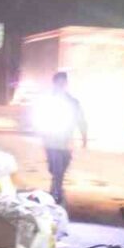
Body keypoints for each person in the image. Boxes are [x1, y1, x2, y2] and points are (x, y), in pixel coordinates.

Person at [39, 71, 88, 207]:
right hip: (51, 142)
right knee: (55, 169)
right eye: (58, 82)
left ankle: (56, 190)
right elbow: (39, 118)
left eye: (63, 82)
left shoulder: (73, 102)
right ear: (54, 83)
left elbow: (81, 120)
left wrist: (84, 137)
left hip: (66, 143)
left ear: (66, 84)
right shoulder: (47, 101)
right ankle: (56, 190)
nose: (60, 85)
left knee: (60, 169)